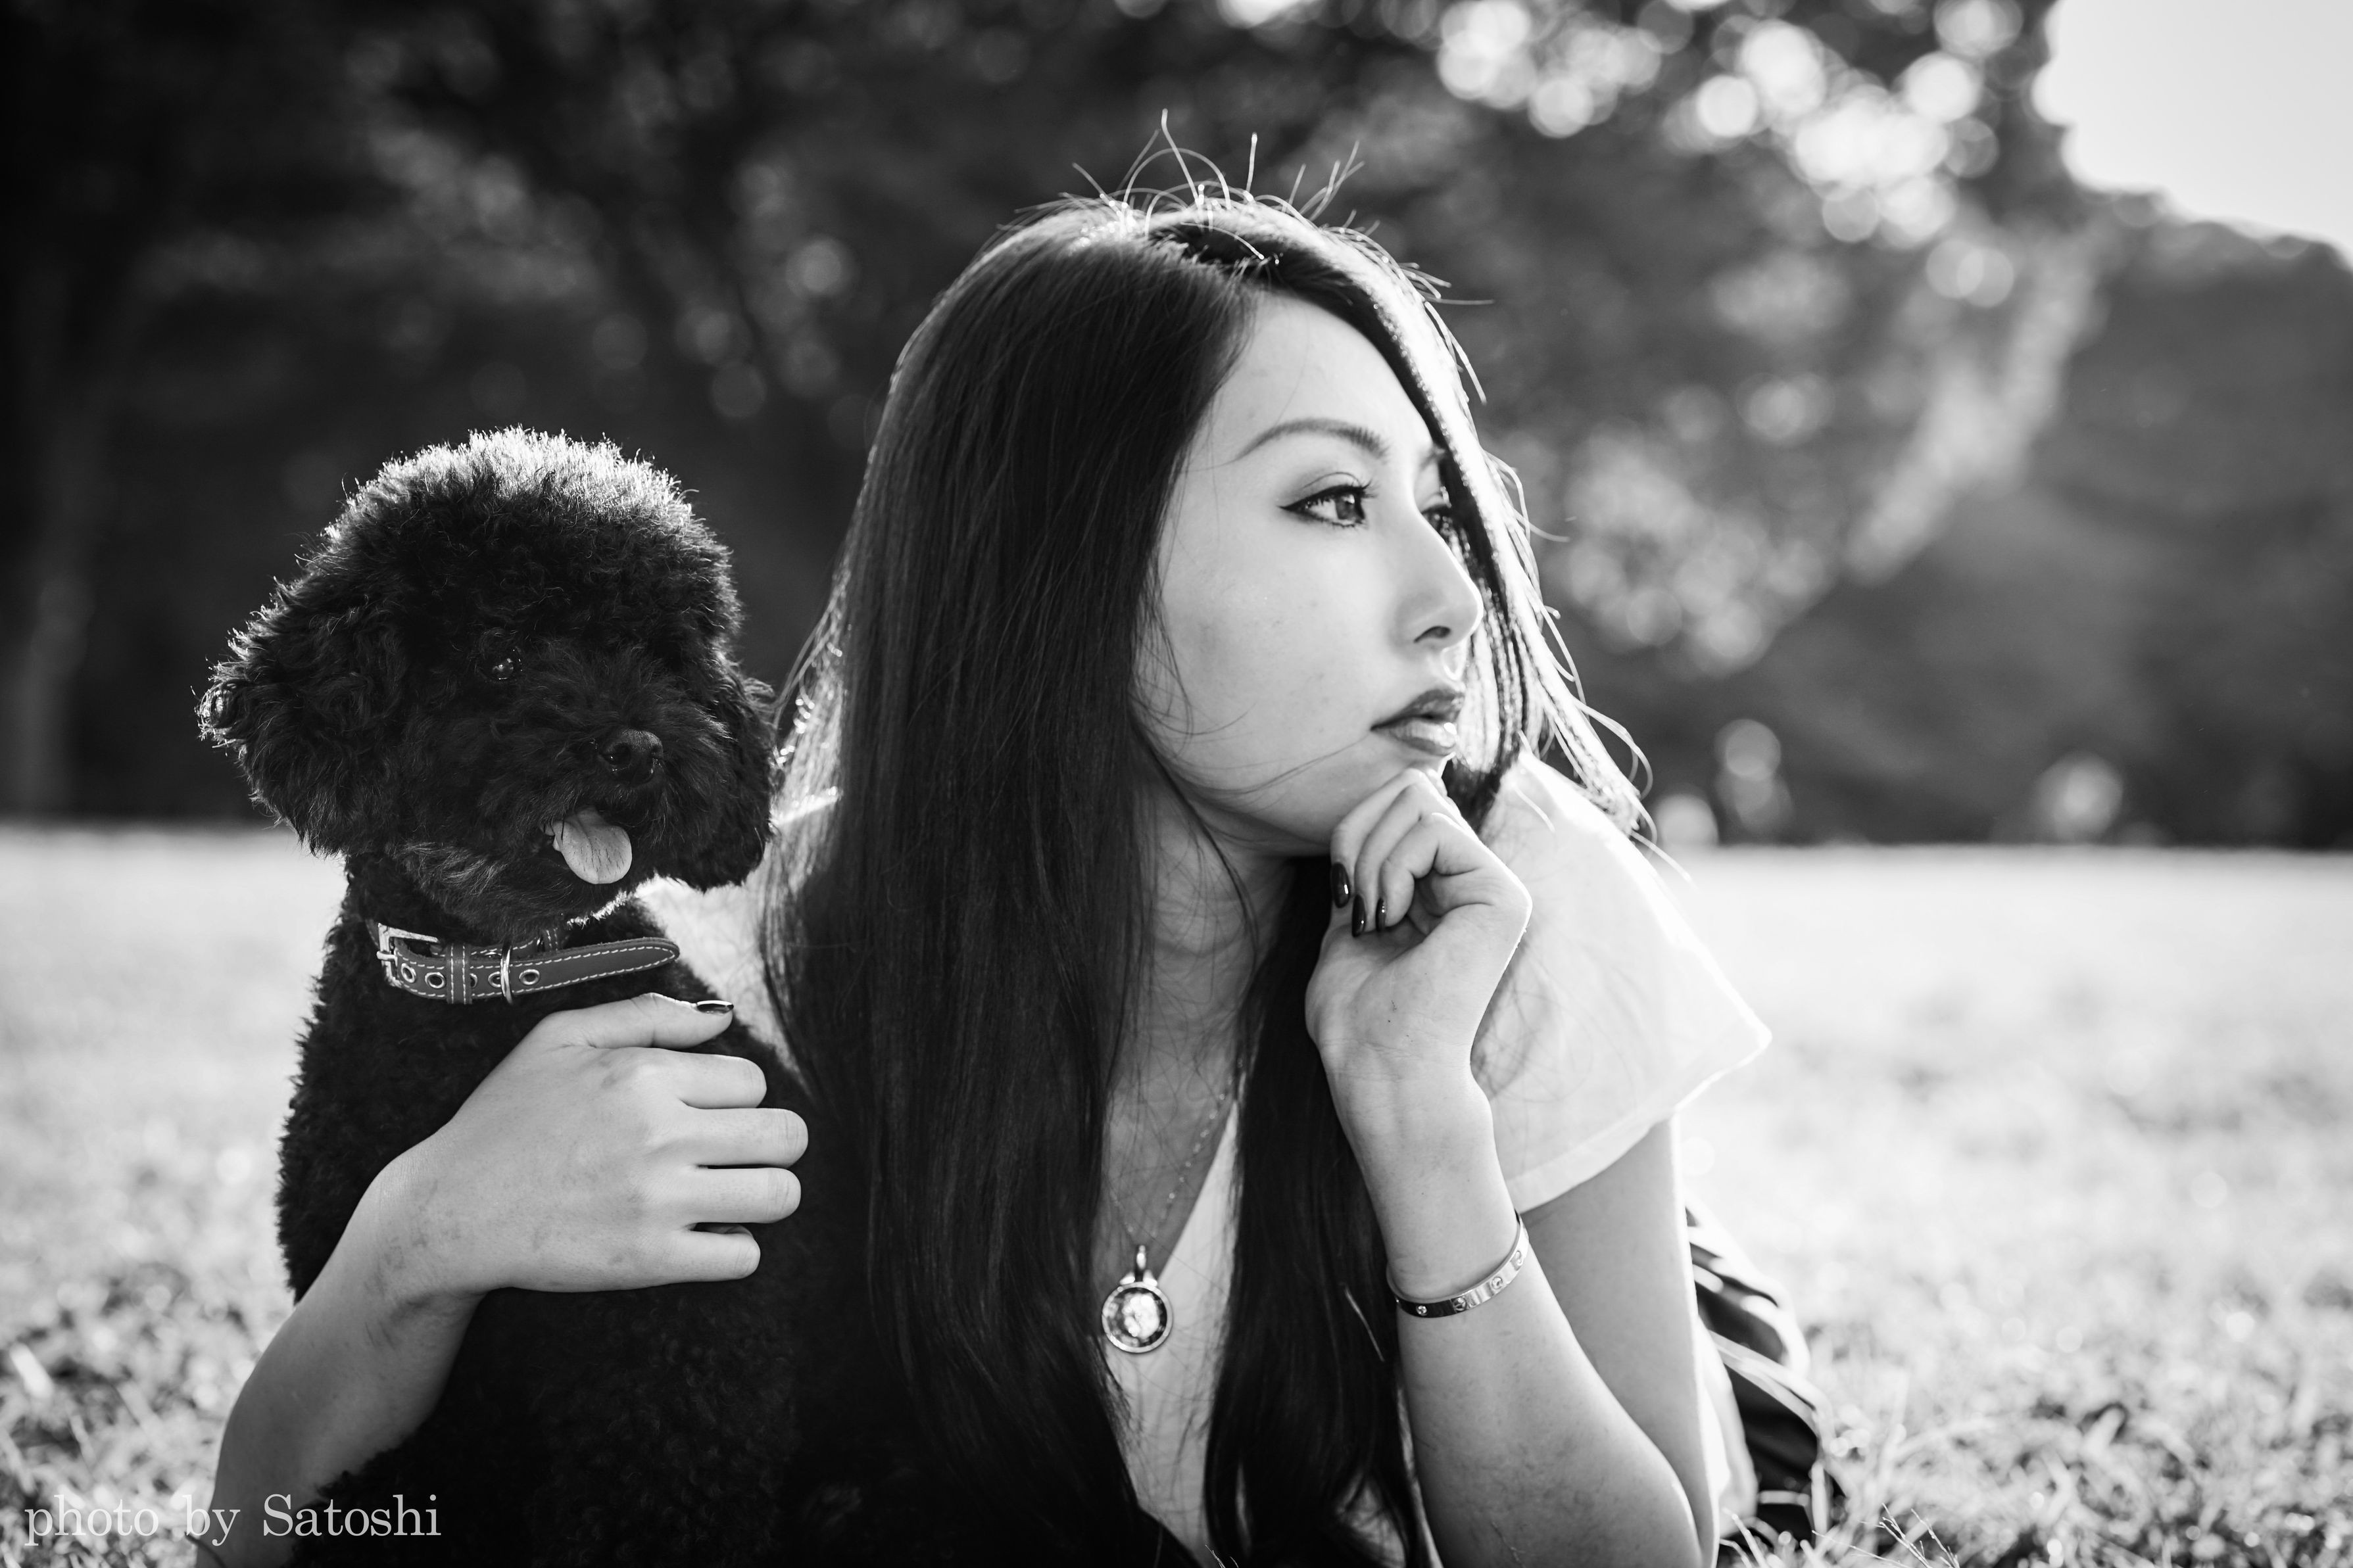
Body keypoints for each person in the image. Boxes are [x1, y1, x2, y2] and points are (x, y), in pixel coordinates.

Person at [203, 187, 1780, 1567]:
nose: (1452, 594)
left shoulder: (1512, 889)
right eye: (1331, 501)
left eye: (1437, 506)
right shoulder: (774, 954)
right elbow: (258, 1534)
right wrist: (415, 1238)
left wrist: (1421, 1119)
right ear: (1065, 563)